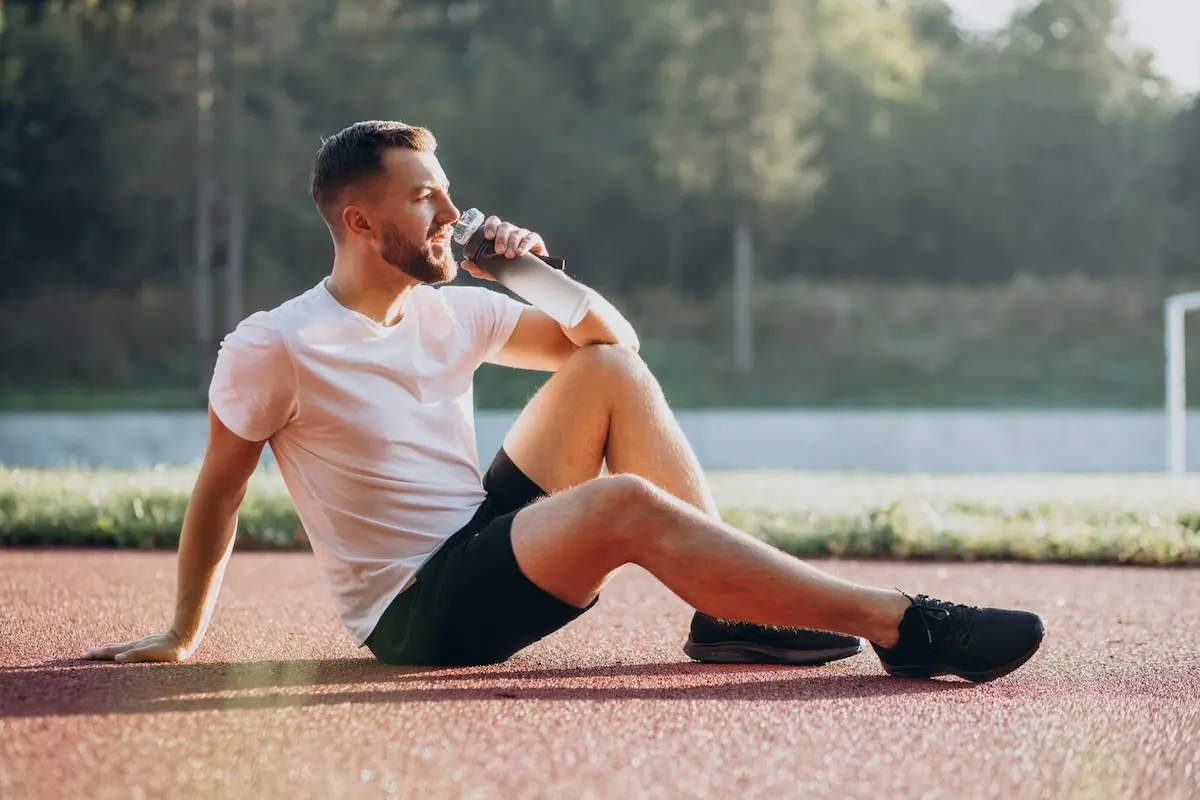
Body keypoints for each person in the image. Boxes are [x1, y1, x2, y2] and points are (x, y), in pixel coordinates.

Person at [83, 121, 1045, 682]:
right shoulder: (275, 344)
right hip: (419, 616)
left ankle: (729, 617)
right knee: (619, 506)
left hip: (478, 538)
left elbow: (614, 347)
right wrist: (182, 633)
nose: (452, 215)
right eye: (427, 200)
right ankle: (907, 626)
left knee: (609, 378)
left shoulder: (453, 311)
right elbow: (217, 491)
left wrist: (529, 275)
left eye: (449, 193)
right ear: (359, 221)